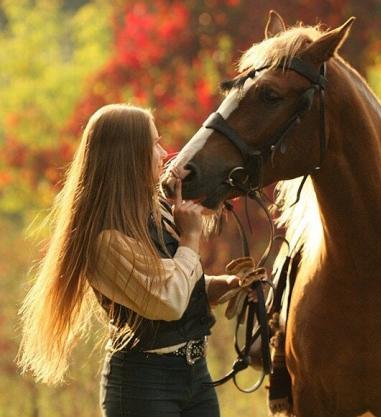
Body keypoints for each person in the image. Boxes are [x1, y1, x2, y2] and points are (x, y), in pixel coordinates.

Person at [17, 103, 242, 417]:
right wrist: (190, 238)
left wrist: (216, 287)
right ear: (129, 155)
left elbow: (162, 283)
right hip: (144, 385)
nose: (164, 153)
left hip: (194, 373)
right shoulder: (104, 240)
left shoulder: (157, 212)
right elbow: (167, 301)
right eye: (153, 144)